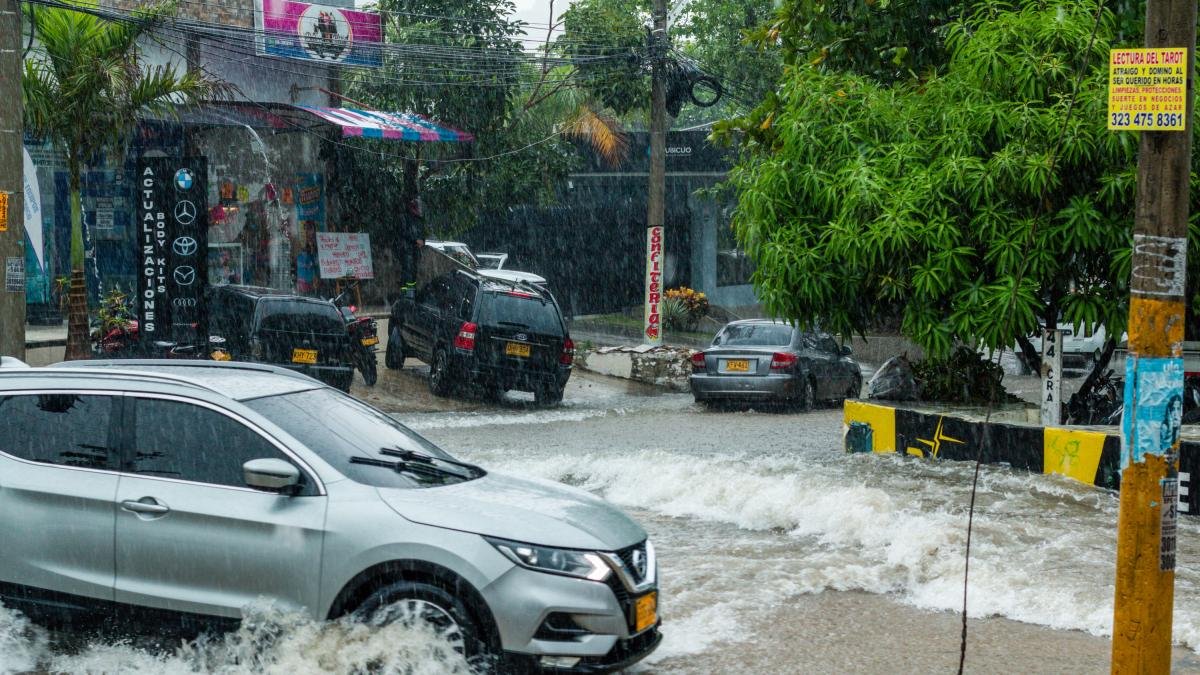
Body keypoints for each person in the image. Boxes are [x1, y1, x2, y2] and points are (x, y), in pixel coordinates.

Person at [394, 197, 426, 290]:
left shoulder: (418, 220)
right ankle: (405, 293)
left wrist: (422, 241)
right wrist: (415, 240)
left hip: (415, 250)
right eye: (417, 208)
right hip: (406, 250)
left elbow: (421, 234)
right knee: (407, 272)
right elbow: (403, 232)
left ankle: (412, 292)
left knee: (413, 272)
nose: (419, 210)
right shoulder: (404, 218)